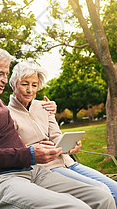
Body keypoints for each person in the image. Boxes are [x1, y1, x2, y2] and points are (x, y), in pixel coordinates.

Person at [0, 47, 116, 209]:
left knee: (102, 197)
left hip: (28, 173)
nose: (4, 79)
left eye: (6, 74)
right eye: (0, 73)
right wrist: (30, 154)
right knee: (76, 206)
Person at [8, 61, 117, 207]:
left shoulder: (44, 106)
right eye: (24, 84)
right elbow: (19, 151)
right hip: (47, 169)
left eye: (34, 85)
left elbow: (56, 135)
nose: (30, 90)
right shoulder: (7, 114)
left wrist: (71, 146)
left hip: (67, 161)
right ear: (13, 84)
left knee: (114, 189)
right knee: (101, 190)